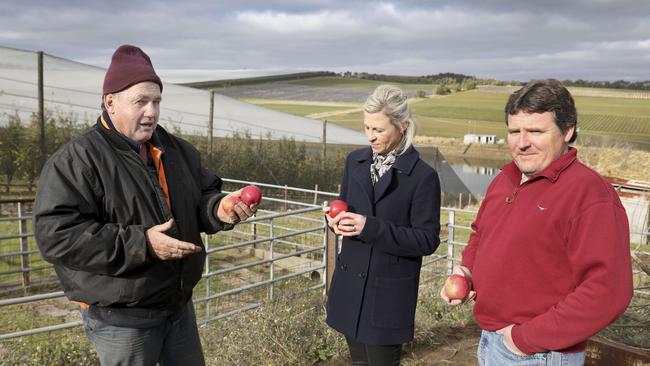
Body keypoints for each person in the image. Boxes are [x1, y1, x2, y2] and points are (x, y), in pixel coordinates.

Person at [33, 44, 256, 366]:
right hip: (122, 319)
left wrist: (220, 208)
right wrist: (144, 244)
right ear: (110, 102)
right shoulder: (77, 161)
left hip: (177, 305)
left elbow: (203, 195)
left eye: (156, 101)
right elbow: (57, 236)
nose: (151, 111)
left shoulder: (176, 150)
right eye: (140, 101)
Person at [441, 79, 633, 365]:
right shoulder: (505, 179)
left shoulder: (588, 193)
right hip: (490, 337)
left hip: (539, 353)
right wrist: (467, 272)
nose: (522, 143)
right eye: (514, 131)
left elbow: (609, 291)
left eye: (535, 131)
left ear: (567, 132)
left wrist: (523, 340)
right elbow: (481, 233)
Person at [325, 85, 441, 365]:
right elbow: (343, 206)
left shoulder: (423, 177)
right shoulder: (355, 162)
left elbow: (427, 240)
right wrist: (334, 222)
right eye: (366, 127)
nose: (370, 136)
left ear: (403, 126)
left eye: (378, 129)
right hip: (350, 286)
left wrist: (369, 227)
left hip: (387, 296)